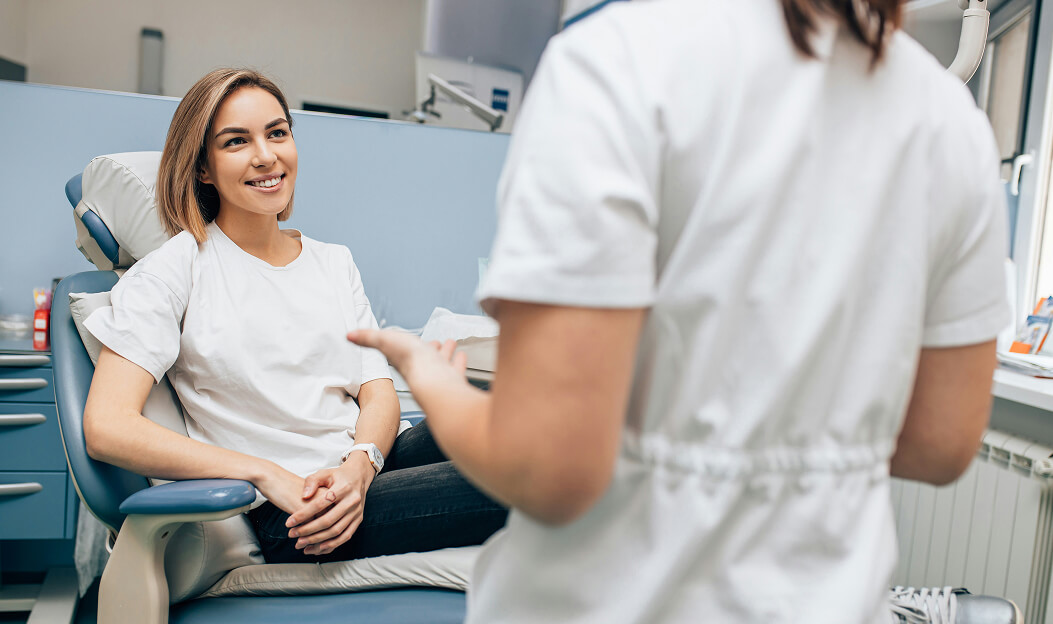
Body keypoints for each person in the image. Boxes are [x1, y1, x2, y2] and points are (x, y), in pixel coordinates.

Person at [349, 0, 1009, 622]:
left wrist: (434, 382)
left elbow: (550, 472)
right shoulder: (947, 117)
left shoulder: (616, 62)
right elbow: (939, 443)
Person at [82, 68, 506, 563]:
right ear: (202, 168)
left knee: (519, 425)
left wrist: (360, 466)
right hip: (295, 510)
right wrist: (262, 473)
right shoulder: (176, 269)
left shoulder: (333, 261)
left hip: (361, 469)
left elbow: (377, 392)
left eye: (277, 132)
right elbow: (107, 426)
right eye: (236, 141)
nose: (266, 156)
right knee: (527, 477)